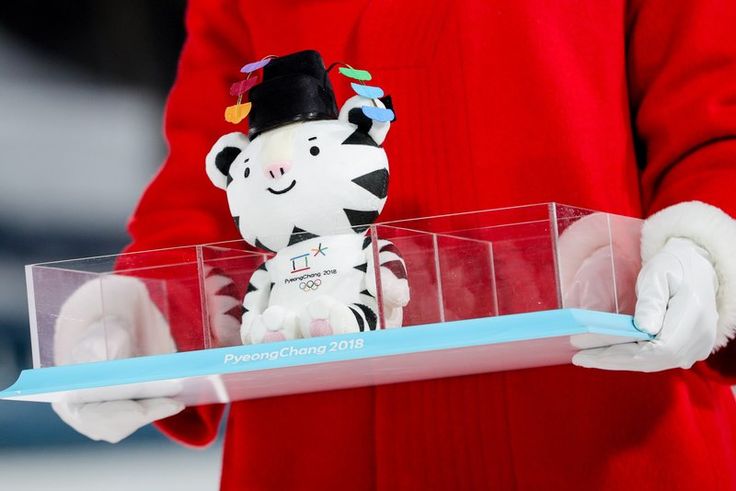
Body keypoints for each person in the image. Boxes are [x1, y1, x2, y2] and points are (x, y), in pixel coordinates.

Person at [55, 0, 736, 489]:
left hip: (609, 435)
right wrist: (151, 314)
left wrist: (707, 248)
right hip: (316, 452)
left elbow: (715, 112)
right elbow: (213, 175)